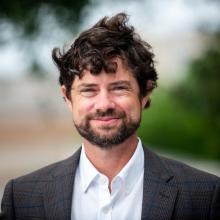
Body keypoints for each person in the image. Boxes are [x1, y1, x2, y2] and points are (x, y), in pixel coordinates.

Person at [1, 12, 220, 220]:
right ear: (67, 97)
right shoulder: (21, 198)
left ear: (144, 93)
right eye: (89, 90)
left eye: (119, 88)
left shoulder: (206, 195)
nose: (104, 104)